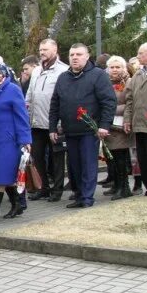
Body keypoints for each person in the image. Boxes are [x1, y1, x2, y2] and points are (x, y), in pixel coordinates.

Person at [49, 44, 116, 208]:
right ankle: (78, 195)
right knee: (74, 166)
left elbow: (109, 102)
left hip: (89, 130)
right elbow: (55, 103)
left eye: (79, 54)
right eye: (72, 55)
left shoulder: (98, 75)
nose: (75, 57)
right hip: (69, 130)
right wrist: (52, 127)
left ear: (87, 56)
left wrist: (104, 125)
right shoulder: (63, 77)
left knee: (88, 164)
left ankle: (87, 198)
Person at [0, 63, 32, 221]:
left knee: (0, 172)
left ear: (1, 74)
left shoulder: (12, 89)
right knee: (6, 174)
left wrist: (25, 139)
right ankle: (16, 204)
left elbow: (22, 115)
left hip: (8, 139)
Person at [26, 39, 69, 202]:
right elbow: (30, 94)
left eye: (45, 49)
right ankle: (42, 187)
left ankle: (57, 190)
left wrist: (59, 123)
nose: (42, 52)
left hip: (54, 123)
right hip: (36, 122)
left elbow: (64, 99)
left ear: (55, 49)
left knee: (56, 158)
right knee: (37, 157)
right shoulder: (36, 70)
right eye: (40, 50)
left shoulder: (63, 70)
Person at [124, 42, 147, 196]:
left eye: (141, 53)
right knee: (143, 159)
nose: (138, 56)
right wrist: (127, 119)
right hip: (138, 124)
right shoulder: (137, 75)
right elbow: (129, 100)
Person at [104, 56, 134, 199]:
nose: (115, 70)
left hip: (121, 126)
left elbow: (130, 103)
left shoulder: (128, 82)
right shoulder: (105, 83)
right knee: (112, 157)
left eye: (118, 67)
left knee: (121, 156)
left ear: (123, 68)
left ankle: (125, 187)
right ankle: (117, 184)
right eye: (112, 67)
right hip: (109, 126)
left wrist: (111, 109)